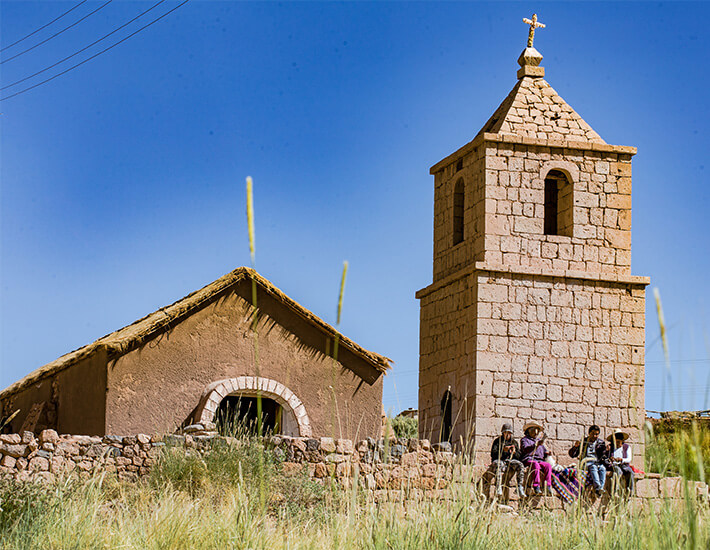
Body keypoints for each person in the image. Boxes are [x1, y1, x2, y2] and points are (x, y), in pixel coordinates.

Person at [569, 424, 609, 497]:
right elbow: (573, 455)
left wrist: (606, 451)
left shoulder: (600, 443)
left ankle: (600, 488)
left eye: (596, 434)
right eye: (593, 434)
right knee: (593, 467)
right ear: (589, 433)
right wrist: (575, 447)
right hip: (587, 463)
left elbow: (603, 456)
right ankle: (597, 487)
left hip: (597, 462)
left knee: (602, 468)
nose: (594, 436)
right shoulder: (584, 442)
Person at [490, 423, 526, 498]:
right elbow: (493, 454)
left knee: (520, 465)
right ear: (503, 433)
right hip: (500, 460)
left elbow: (519, 456)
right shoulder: (497, 441)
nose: (507, 434)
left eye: (509, 433)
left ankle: (519, 486)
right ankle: (498, 487)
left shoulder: (514, 442)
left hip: (509, 461)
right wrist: (503, 450)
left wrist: (514, 452)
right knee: (498, 464)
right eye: (506, 432)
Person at [519, 421, 552, 495]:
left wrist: (547, 453)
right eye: (533, 430)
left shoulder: (539, 441)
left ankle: (548, 486)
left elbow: (543, 451)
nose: (536, 433)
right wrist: (535, 445)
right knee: (535, 464)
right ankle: (536, 486)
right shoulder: (524, 440)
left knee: (548, 466)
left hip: (539, 460)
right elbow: (525, 449)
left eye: (537, 431)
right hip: (529, 459)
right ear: (529, 431)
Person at [608, 429, 634, 494]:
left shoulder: (626, 447)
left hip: (624, 464)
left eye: (619, 442)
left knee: (630, 472)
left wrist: (621, 459)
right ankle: (616, 490)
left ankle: (630, 490)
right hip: (614, 465)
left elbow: (629, 459)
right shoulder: (610, 447)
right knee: (618, 471)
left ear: (622, 441)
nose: (618, 444)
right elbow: (607, 457)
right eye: (616, 442)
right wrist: (611, 459)